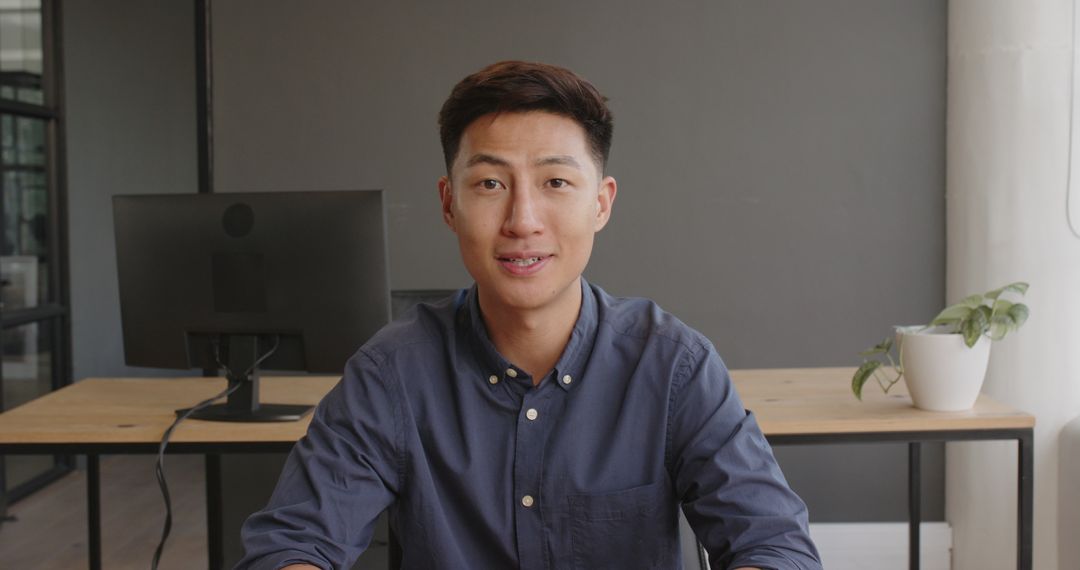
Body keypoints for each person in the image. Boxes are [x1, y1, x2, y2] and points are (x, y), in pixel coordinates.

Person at [237, 61, 821, 570]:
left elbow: (773, 544)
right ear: (449, 203)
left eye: (555, 182)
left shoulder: (672, 366)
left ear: (601, 203)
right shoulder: (393, 372)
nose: (522, 220)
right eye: (490, 183)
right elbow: (292, 543)